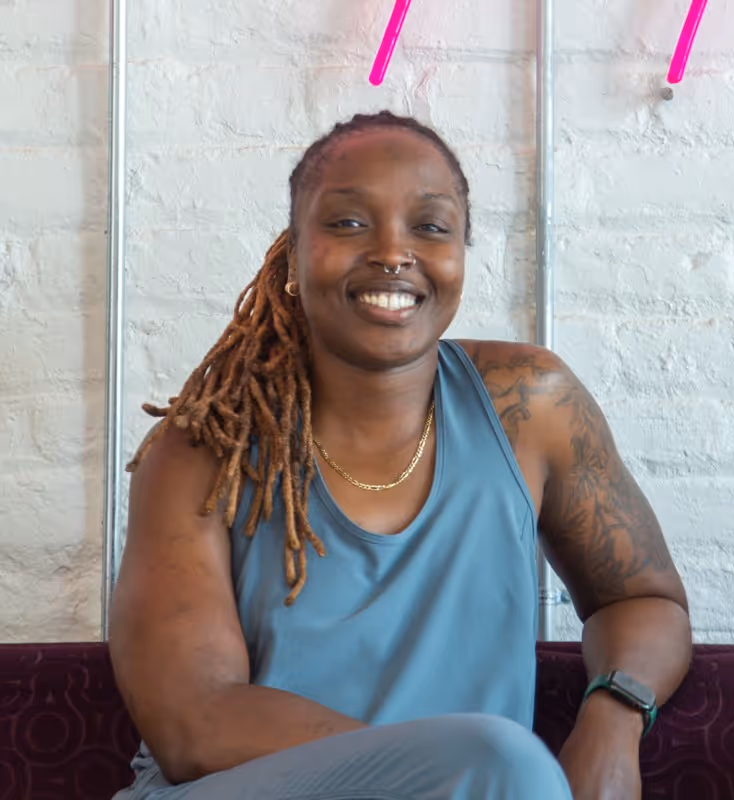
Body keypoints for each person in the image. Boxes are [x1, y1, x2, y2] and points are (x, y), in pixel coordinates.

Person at [110, 110, 692, 800]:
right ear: (291, 255)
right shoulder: (205, 450)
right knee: (503, 761)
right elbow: (192, 726)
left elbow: (642, 599)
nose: (393, 251)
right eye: (349, 223)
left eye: (431, 226)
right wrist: (434, 772)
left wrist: (613, 721)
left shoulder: (530, 409)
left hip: (485, 785)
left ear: (460, 257)